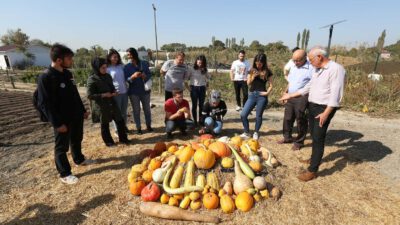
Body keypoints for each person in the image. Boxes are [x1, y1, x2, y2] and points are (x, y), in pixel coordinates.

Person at [280, 46, 346, 181]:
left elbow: (336, 94)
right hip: (312, 105)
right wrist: (291, 95)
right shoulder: (317, 69)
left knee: (318, 137)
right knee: (313, 134)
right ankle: (314, 159)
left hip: (323, 108)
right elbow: (309, 87)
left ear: (320, 57)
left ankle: (312, 170)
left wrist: (326, 113)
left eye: (310, 59)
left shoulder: (336, 69)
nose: (309, 63)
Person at [36, 44, 94, 184]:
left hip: (76, 115)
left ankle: (79, 159)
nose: (71, 61)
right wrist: (56, 123)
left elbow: (74, 94)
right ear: (59, 60)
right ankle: (64, 173)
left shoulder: (68, 74)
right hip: (61, 119)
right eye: (69, 58)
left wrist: (83, 110)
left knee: (76, 139)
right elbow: (44, 104)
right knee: (61, 147)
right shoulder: (46, 77)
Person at [87, 58, 129, 147]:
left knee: (120, 120)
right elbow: (90, 95)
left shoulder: (107, 76)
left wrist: (114, 92)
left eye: (106, 67)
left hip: (111, 102)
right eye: (103, 68)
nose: (105, 69)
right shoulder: (92, 79)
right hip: (102, 105)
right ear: (97, 68)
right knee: (105, 124)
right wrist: (104, 95)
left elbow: (111, 87)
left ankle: (123, 139)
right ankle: (109, 142)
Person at [278, 49, 313, 150]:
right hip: (290, 95)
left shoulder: (311, 68)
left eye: (297, 60)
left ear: (304, 58)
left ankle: (299, 142)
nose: (295, 62)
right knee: (288, 118)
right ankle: (287, 137)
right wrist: (286, 93)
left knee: (300, 119)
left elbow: (311, 85)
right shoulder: (293, 65)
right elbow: (291, 81)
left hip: (302, 97)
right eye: (294, 60)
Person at [240, 53, 273, 140]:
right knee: (243, 114)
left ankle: (256, 132)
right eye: (257, 63)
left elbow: (271, 85)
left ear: (264, 63)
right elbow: (248, 83)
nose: (258, 65)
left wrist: (267, 93)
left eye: (260, 63)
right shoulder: (251, 70)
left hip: (262, 96)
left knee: (258, 115)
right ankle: (246, 132)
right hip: (252, 95)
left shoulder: (267, 72)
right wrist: (253, 77)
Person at [124, 48, 153, 135]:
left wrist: (145, 76)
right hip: (133, 92)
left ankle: (148, 126)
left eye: (130, 54)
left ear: (134, 54)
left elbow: (149, 74)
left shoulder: (143, 63)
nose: (129, 56)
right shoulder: (127, 67)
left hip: (145, 91)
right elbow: (126, 80)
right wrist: (132, 77)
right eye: (128, 55)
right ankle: (138, 128)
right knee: (136, 111)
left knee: (147, 109)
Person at [106, 49, 128, 134]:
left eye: (117, 57)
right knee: (116, 113)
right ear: (110, 58)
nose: (116, 59)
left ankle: (123, 127)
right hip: (116, 93)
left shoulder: (121, 66)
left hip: (124, 92)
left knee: (124, 112)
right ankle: (117, 130)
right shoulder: (107, 68)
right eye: (114, 57)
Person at [186, 55, 210, 126]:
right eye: (198, 62)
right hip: (194, 88)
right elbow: (186, 79)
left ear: (203, 63)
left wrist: (207, 88)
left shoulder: (204, 69)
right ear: (196, 62)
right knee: (194, 105)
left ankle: (201, 120)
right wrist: (188, 88)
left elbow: (208, 78)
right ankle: (195, 121)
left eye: (201, 63)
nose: (199, 64)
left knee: (201, 106)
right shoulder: (191, 69)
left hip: (202, 88)